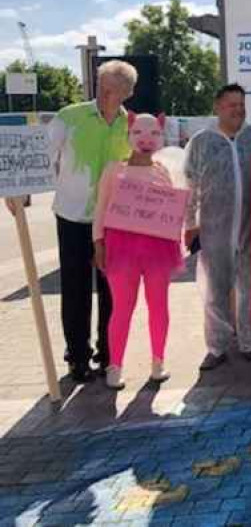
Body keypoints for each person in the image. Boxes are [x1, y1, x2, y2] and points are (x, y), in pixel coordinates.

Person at [48, 60, 136, 382]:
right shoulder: (69, 117)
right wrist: (20, 194)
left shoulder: (132, 125)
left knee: (112, 289)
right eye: (101, 87)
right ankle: (78, 357)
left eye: (111, 90)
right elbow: (42, 155)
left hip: (114, 221)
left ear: (126, 93)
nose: (104, 95)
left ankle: (109, 353)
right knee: (75, 289)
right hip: (73, 216)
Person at [184, 84, 251, 370]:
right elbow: (189, 185)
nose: (238, 110)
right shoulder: (202, 142)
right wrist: (190, 224)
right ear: (217, 107)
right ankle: (216, 347)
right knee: (215, 289)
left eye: (241, 104)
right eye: (231, 105)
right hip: (214, 228)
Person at [93, 113, 182, 389]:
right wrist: (98, 243)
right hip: (121, 248)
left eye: (154, 133)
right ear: (129, 134)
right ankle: (115, 365)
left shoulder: (162, 170)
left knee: (159, 306)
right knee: (122, 308)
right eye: (139, 133)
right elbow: (100, 209)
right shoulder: (113, 169)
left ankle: (158, 361)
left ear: (161, 135)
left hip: (157, 248)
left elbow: (171, 209)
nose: (146, 139)